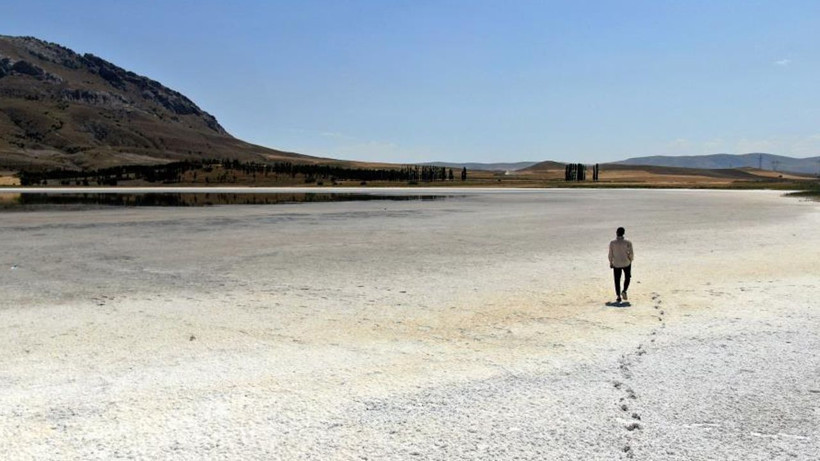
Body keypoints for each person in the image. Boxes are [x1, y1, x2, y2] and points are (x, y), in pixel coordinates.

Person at [608, 227, 634, 303]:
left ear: (617, 233)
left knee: (617, 280)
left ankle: (618, 296)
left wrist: (611, 262)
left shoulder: (613, 243)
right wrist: (630, 260)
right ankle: (624, 290)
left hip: (616, 263)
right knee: (628, 277)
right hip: (626, 262)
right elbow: (631, 253)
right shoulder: (628, 242)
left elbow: (610, 254)